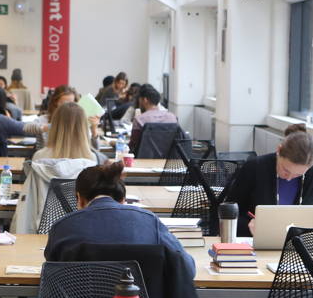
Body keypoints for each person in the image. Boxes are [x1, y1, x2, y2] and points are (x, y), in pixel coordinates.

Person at [44, 162, 195, 276]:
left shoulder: (62, 227)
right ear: (123, 200)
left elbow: (51, 274)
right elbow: (188, 268)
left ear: (79, 198)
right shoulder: (150, 222)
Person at [223, 123, 313, 236]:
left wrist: (312, 231)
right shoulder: (254, 167)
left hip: (305, 245)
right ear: (279, 150)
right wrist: (248, 226)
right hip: (258, 245)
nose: (289, 178)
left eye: (299, 175)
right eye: (286, 170)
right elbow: (227, 214)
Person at [11, 102, 108, 234]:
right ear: (84, 127)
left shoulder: (39, 157)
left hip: (44, 232)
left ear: (54, 126)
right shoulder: (92, 161)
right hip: (82, 232)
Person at [127, 84, 178, 155]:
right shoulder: (172, 117)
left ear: (145, 100)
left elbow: (133, 146)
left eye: (139, 99)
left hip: (143, 159)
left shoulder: (139, 119)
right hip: (168, 160)